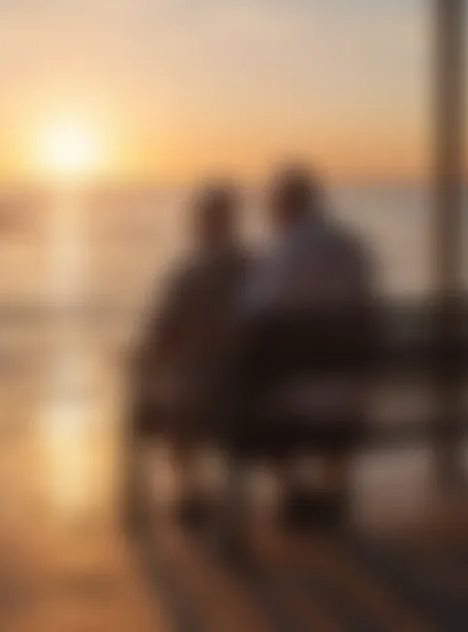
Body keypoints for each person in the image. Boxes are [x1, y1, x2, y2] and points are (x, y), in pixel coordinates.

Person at [243, 165, 377, 528]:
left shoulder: (285, 251)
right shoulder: (352, 245)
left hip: (299, 402)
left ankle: (294, 494)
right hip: (352, 396)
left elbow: (254, 314)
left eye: (270, 204)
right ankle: (333, 493)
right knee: (328, 388)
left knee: (250, 405)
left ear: (285, 205)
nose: (268, 212)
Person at [135, 184, 250, 529]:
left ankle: (190, 495)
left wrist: (144, 360)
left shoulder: (189, 275)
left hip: (205, 400)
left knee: (173, 407)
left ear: (200, 224)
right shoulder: (259, 268)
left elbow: (160, 335)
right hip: (258, 397)